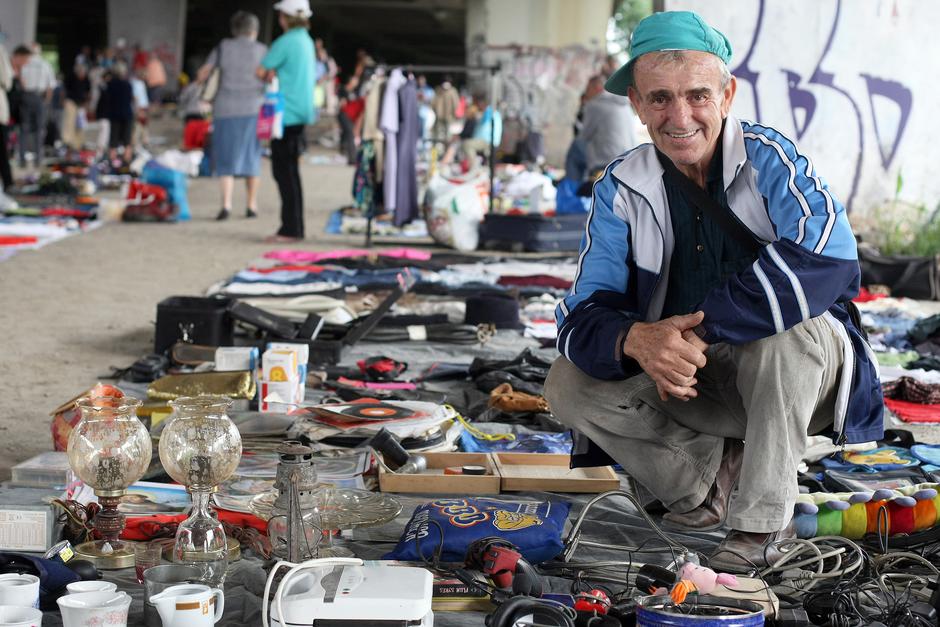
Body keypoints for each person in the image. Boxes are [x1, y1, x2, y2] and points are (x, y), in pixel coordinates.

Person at [544, 11, 882, 572]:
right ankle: (706, 486)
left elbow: (828, 255)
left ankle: (760, 528)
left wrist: (694, 331)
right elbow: (581, 312)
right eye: (659, 99)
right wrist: (635, 339)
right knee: (566, 381)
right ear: (635, 104)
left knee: (779, 335)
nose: (679, 118)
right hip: (694, 386)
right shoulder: (621, 186)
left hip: (798, 380)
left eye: (698, 95)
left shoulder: (769, 158)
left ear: (727, 95)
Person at [197, 10, 267, 221]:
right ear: (254, 30)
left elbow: (203, 74)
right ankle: (251, 205)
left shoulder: (223, 47)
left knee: (225, 156)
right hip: (254, 109)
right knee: (252, 156)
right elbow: (270, 77)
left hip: (225, 109)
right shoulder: (263, 50)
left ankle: (226, 205)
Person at [258, 0, 315, 243]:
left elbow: (261, 70)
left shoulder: (287, 41)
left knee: (284, 172)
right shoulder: (307, 41)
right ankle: (294, 226)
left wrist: (271, 73)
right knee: (292, 171)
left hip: (286, 114)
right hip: (301, 112)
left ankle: (290, 229)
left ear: (286, 17)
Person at [578, 73, 635, 181]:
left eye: (588, 88)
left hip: (606, 162)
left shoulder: (594, 105)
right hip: (629, 160)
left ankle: (572, 187)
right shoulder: (625, 105)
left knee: (576, 147)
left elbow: (584, 136)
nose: (586, 92)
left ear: (597, 87)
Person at [13, 44, 55, 165]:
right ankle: (38, 159)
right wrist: (46, 102)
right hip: (38, 97)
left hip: (26, 96)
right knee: (39, 129)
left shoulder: (25, 64)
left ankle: (22, 159)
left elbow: (19, 79)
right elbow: (50, 86)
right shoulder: (45, 64)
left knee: (24, 129)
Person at [102, 62, 134, 162]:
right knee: (127, 140)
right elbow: (130, 99)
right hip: (127, 114)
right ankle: (127, 161)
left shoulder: (110, 85)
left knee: (114, 140)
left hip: (114, 115)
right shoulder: (128, 84)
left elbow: (107, 100)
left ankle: (113, 161)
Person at [61, 63, 91, 150]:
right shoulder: (71, 78)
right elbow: (64, 90)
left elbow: (88, 92)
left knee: (81, 125)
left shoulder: (86, 80)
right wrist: (63, 100)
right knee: (69, 122)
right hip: (71, 102)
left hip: (81, 104)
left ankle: (78, 144)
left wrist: (86, 103)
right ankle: (67, 142)